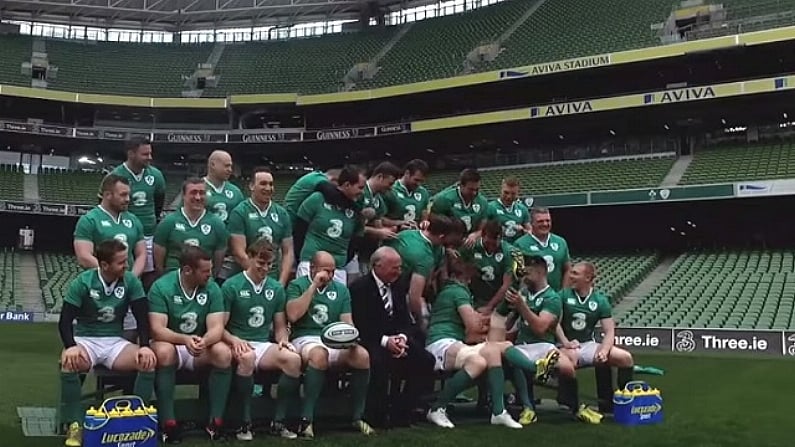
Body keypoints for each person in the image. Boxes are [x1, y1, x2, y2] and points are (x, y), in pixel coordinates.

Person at [58, 240, 155, 447]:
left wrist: (145, 345)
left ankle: (138, 420)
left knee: (147, 360)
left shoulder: (130, 281)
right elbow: (65, 321)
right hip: (86, 340)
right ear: (104, 265)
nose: (126, 266)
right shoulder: (83, 282)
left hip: (115, 342)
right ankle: (73, 424)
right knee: (69, 362)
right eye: (121, 262)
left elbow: (142, 318)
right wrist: (71, 346)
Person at [490, 255, 602, 424]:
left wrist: (522, 307)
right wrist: (510, 310)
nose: (524, 277)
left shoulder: (553, 298)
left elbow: (541, 328)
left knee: (567, 368)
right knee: (517, 362)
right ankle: (529, 408)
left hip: (544, 345)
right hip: (522, 344)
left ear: (540, 271)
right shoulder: (523, 292)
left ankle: (575, 407)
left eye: (528, 273)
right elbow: (506, 321)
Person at [423, 257, 522, 429]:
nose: (472, 280)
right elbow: (473, 327)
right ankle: (437, 408)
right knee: (500, 347)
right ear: (463, 276)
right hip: (441, 343)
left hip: (451, 342)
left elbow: (476, 323)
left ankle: (498, 413)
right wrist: (486, 323)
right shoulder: (458, 291)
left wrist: (486, 320)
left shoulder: (451, 291)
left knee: (483, 358)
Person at [285, 251, 374, 438]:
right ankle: (306, 419)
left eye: (333, 271)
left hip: (332, 339)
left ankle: (357, 416)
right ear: (313, 268)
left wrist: (350, 338)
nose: (330, 276)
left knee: (362, 356)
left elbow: (347, 322)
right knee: (319, 355)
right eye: (326, 271)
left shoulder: (341, 290)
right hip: (305, 338)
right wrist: (313, 286)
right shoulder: (296, 285)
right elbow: (293, 316)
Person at [148, 246, 232, 443]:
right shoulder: (162, 287)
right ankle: (168, 422)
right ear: (187, 270)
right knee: (164, 351)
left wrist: (205, 340)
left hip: (198, 345)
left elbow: (217, 327)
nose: (209, 275)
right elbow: (157, 330)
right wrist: (184, 339)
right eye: (204, 271)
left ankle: (215, 421)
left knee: (222, 352)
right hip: (173, 342)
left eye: (210, 270)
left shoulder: (212, 288)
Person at [222, 238, 302, 441]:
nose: (265, 268)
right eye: (260, 263)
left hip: (261, 343)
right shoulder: (232, 285)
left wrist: (283, 339)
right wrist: (233, 340)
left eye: (269, 264)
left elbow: (279, 326)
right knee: (247, 358)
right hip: (236, 341)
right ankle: (244, 422)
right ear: (249, 258)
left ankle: (279, 421)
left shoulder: (275, 288)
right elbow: (218, 327)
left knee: (293, 359)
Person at [349, 246, 435, 428]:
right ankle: (376, 415)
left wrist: (402, 338)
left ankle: (402, 411)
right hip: (371, 340)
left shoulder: (398, 284)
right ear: (378, 266)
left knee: (426, 360)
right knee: (378, 362)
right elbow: (361, 325)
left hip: (397, 339)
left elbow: (404, 319)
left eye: (400, 267)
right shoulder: (359, 288)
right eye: (394, 267)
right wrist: (386, 342)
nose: (399, 271)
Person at [74, 174, 146, 345]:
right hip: (97, 290)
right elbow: (84, 257)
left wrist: (130, 278)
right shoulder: (89, 220)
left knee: (129, 338)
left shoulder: (133, 220)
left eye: (128, 194)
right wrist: (113, 274)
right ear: (107, 195)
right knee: (88, 344)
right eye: (123, 195)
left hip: (127, 291)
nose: (128, 199)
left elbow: (142, 254)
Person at [557, 261, 634, 413]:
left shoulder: (600, 300)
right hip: (564, 345)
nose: (570, 276)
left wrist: (604, 351)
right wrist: (565, 342)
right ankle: (570, 405)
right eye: (571, 272)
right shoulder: (563, 295)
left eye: (575, 273)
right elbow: (555, 324)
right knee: (569, 359)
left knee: (625, 358)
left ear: (587, 278)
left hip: (587, 344)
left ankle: (624, 400)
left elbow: (609, 330)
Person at [110, 137, 166, 289]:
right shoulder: (116, 176)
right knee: (123, 271)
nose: (150, 157)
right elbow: (106, 206)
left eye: (150, 153)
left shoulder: (156, 175)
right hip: (124, 234)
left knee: (149, 274)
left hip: (148, 233)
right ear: (131, 154)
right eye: (145, 154)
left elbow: (159, 199)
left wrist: (152, 219)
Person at [294, 166, 366, 284]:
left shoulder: (356, 211)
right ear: (347, 185)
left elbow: (356, 241)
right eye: (360, 187)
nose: (362, 192)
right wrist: (303, 258)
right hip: (310, 264)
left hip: (337, 269)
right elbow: (299, 230)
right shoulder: (317, 199)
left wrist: (341, 261)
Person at [227, 167, 293, 286]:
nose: (268, 188)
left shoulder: (282, 214)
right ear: (251, 186)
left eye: (271, 184)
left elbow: (288, 252)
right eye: (263, 184)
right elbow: (238, 252)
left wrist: (281, 283)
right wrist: (257, 276)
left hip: (274, 280)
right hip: (246, 280)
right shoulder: (240, 212)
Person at [385, 214, 451, 329]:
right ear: (441, 236)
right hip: (395, 290)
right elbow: (414, 297)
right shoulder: (424, 256)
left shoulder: (406, 234)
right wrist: (420, 322)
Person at [153, 178, 228, 277]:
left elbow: (218, 260)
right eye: (193, 193)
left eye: (202, 193)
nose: (198, 197)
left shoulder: (217, 225)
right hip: (173, 279)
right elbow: (158, 260)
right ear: (183, 196)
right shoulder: (168, 222)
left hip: (204, 280)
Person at [348, 161, 403, 280]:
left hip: (367, 251)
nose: (391, 187)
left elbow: (379, 221)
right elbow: (351, 224)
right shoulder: (360, 194)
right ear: (380, 177)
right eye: (390, 183)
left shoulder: (378, 198)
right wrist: (379, 232)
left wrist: (392, 227)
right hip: (351, 249)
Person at [459, 219, 514, 315]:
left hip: (497, 297)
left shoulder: (508, 251)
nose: (491, 247)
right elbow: (460, 272)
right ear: (482, 236)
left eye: (494, 244)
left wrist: (489, 307)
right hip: (474, 295)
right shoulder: (471, 247)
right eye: (488, 243)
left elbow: (506, 285)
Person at [512, 207, 571, 291]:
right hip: (532, 298)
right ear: (531, 223)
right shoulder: (520, 244)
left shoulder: (561, 242)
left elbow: (567, 269)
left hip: (556, 296)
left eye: (548, 221)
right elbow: (516, 274)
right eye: (540, 221)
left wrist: (563, 292)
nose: (545, 224)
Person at [430, 168, 489, 246]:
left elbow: (482, 228)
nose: (474, 193)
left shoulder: (482, 202)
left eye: (477, 189)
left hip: (471, 243)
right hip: (447, 243)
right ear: (461, 185)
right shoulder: (444, 199)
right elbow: (434, 225)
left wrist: (475, 235)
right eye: (471, 189)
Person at [382, 159, 431, 229]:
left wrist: (424, 222)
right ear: (407, 173)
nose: (418, 184)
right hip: (394, 234)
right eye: (416, 180)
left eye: (422, 181)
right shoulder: (390, 190)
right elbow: (380, 219)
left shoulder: (423, 192)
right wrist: (399, 225)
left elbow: (424, 214)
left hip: (415, 235)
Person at [202, 150, 245, 223]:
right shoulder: (196, 189)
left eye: (231, 166)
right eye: (226, 166)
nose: (230, 170)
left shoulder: (236, 192)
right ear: (213, 165)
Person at [486, 177, 530, 245]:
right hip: (497, 248)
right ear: (501, 189)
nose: (509, 196)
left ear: (518, 193)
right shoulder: (490, 207)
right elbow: (482, 231)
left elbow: (531, 232)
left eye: (513, 194)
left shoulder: (523, 209)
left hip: (518, 248)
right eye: (506, 192)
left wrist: (522, 230)